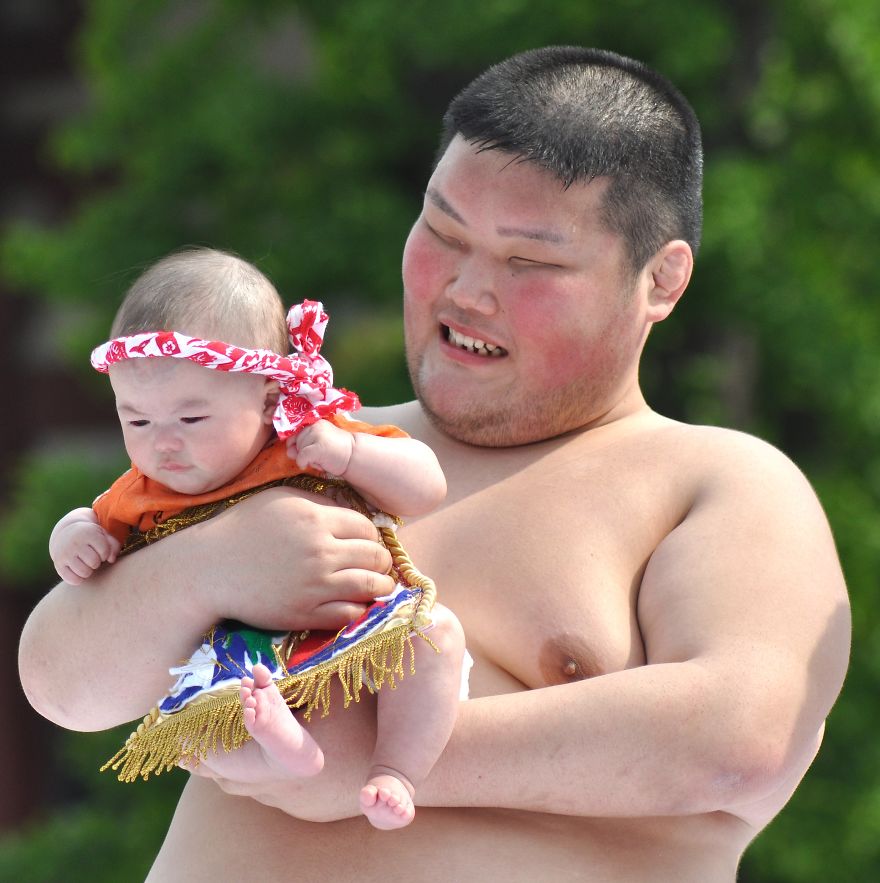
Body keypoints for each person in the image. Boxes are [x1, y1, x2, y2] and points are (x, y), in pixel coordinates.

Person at [19, 46, 850, 881]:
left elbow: (741, 736)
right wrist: (210, 566)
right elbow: (62, 684)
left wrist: (387, 764)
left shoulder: (717, 483)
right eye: (444, 232)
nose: (467, 290)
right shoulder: (278, 450)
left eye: (530, 262)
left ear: (660, 280)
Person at [44, 247, 463, 830]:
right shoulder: (143, 491)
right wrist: (71, 538)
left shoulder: (307, 440)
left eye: (191, 420)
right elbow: (89, 521)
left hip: (355, 622)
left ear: (268, 400)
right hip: (239, 659)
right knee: (199, 730)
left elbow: (426, 485)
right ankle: (280, 749)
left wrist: (350, 454)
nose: (163, 443)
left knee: (437, 638)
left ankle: (396, 770)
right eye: (136, 420)